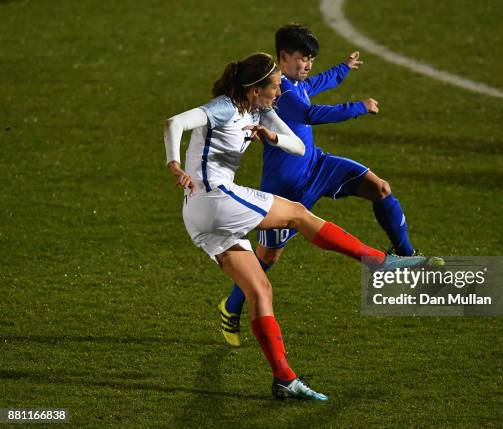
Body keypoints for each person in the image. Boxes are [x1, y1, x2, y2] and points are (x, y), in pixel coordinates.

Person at [164, 52, 435, 401]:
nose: (280, 92)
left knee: (260, 291)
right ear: (255, 88)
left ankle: (284, 379)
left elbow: (295, 143)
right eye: (275, 87)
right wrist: (173, 162)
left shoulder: (259, 111)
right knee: (296, 213)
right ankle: (381, 263)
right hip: (214, 198)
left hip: (200, 217)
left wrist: (270, 137)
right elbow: (174, 122)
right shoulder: (226, 107)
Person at [220, 25, 443, 347]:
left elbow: (316, 83)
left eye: (311, 59)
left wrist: (343, 69)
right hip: (286, 189)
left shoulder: (295, 83)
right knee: (267, 258)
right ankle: (231, 307)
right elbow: (310, 113)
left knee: (379, 188)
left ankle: (406, 255)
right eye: (302, 58)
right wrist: (358, 107)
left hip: (317, 166)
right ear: (283, 57)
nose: (307, 65)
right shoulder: (279, 94)